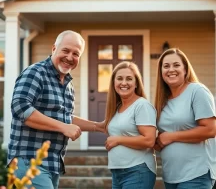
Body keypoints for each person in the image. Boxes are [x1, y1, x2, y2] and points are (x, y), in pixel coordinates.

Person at [7, 30, 105, 189]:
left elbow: (64, 117)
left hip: (52, 164)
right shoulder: (36, 72)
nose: (70, 57)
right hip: (29, 161)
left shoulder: (67, 84)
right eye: (65, 50)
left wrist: (98, 126)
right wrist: (63, 127)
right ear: (54, 49)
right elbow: (20, 108)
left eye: (76, 53)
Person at [154, 48, 216, 189]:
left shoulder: (197, 91)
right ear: (161, 72)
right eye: (166, 66)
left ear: (185, 69)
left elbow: (211, 129)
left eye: (176, 65)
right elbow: (162, 138)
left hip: (196, 174)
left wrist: (171, 137)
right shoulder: (162, 100)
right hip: (171, 175)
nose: (171, 69)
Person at [104, 61, 157, 189]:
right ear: (113, 82)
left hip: (137, 170)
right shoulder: (117, 108)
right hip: (117, 172)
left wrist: (118, 140)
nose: (124, 83)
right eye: (119, 78)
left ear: (136, 83)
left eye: (129, 79)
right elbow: (102, 126)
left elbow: (149, 140)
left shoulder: (141, 105)